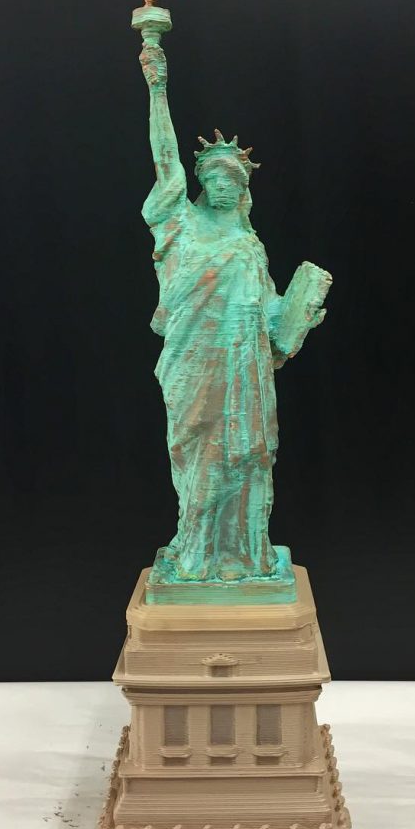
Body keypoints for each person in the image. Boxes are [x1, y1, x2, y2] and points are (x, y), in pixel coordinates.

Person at [140, 43, 290, 584]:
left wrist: (295, 314)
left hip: (244, 368)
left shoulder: (251, 245)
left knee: (247, 454)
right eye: (215, 180)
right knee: (198, 450)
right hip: (195, 360)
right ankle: (196, 551)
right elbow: (166, 161)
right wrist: (158, 88)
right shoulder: (180, 224)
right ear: (202, 185)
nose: (223, 188)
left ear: (244, 189)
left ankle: (244, 554)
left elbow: (270, 312)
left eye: (233, 181)